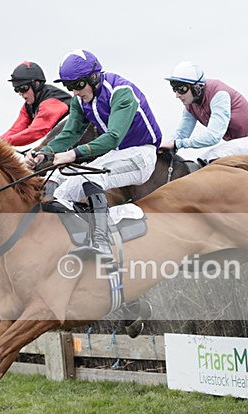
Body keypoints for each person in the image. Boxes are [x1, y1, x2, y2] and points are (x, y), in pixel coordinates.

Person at [27, 49, 162, 260]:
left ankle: (102, 244)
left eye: (78, 85)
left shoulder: (121, 92)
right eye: (69, 86)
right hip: (117, 155)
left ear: (94, 76)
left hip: (141, 155)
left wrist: (71, 155)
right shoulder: (79, 101)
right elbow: (69, 133)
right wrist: (43, 153)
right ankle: (70, 239)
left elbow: (112, 137)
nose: (75, 92)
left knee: (90, 177)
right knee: (58, 181)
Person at [158, 61, 248, 163]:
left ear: (197, 87)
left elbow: (213, 136)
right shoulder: (190, 104)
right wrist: (166, 146)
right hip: (235, 144)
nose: (177, 95)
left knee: (208, 158)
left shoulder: (219, 95)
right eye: (174, 89)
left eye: (182, 89)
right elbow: (181, 134)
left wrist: (177, 144)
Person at [0, 61, 73, 148]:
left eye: (23, 88)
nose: (20, 93)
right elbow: (15, 130)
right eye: (17, 89)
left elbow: (35, 132)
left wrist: (3, 143)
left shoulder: (52, 102)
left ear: (36, 84)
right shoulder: (29, 105)